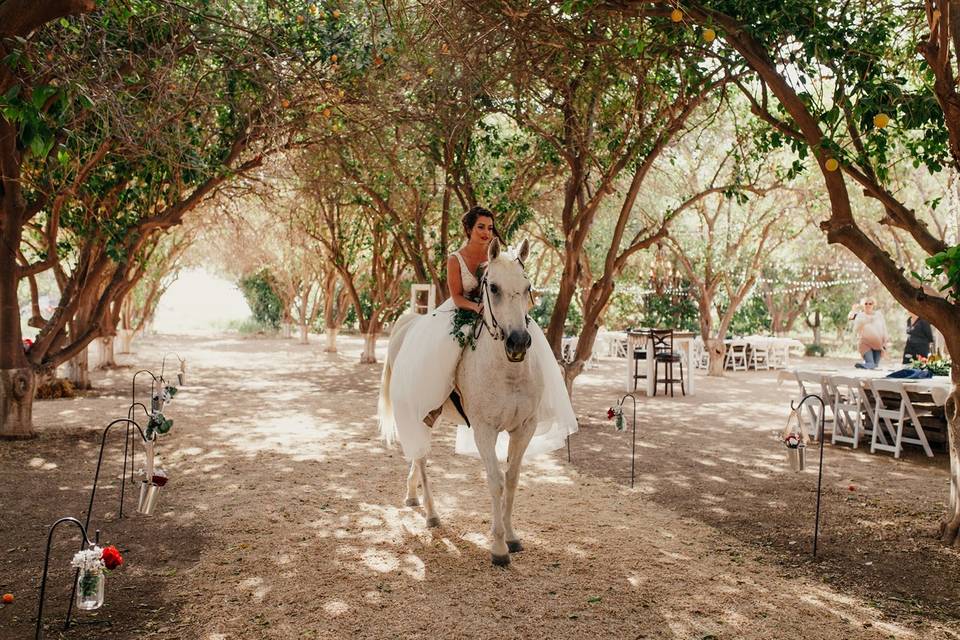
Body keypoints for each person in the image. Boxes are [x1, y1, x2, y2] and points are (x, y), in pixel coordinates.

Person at [383, 206, 577, 461]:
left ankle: (535, 402)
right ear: (469, 230)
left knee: (532, 340)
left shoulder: (499, 258)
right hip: (464, 311)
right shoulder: (457, 258)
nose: (486, 232)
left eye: (489, 227)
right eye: (481, 227)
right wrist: (477, 307)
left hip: (497, 314)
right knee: (448, 347)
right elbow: (455, 296)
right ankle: (437, 402)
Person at [848, 297, 888, 369]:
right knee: (871, 363)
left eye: (870, 303)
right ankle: (863, 364)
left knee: (874, 366)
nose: (868, 305)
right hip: (865, 343)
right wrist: (864, 322)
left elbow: (884, 329)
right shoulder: (860, 316)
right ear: (863, 305)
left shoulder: (879, 315)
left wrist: (885, 342)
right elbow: (855, 330)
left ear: (873, 305)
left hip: (878, 345)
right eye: (866, 304)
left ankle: (864, 365)